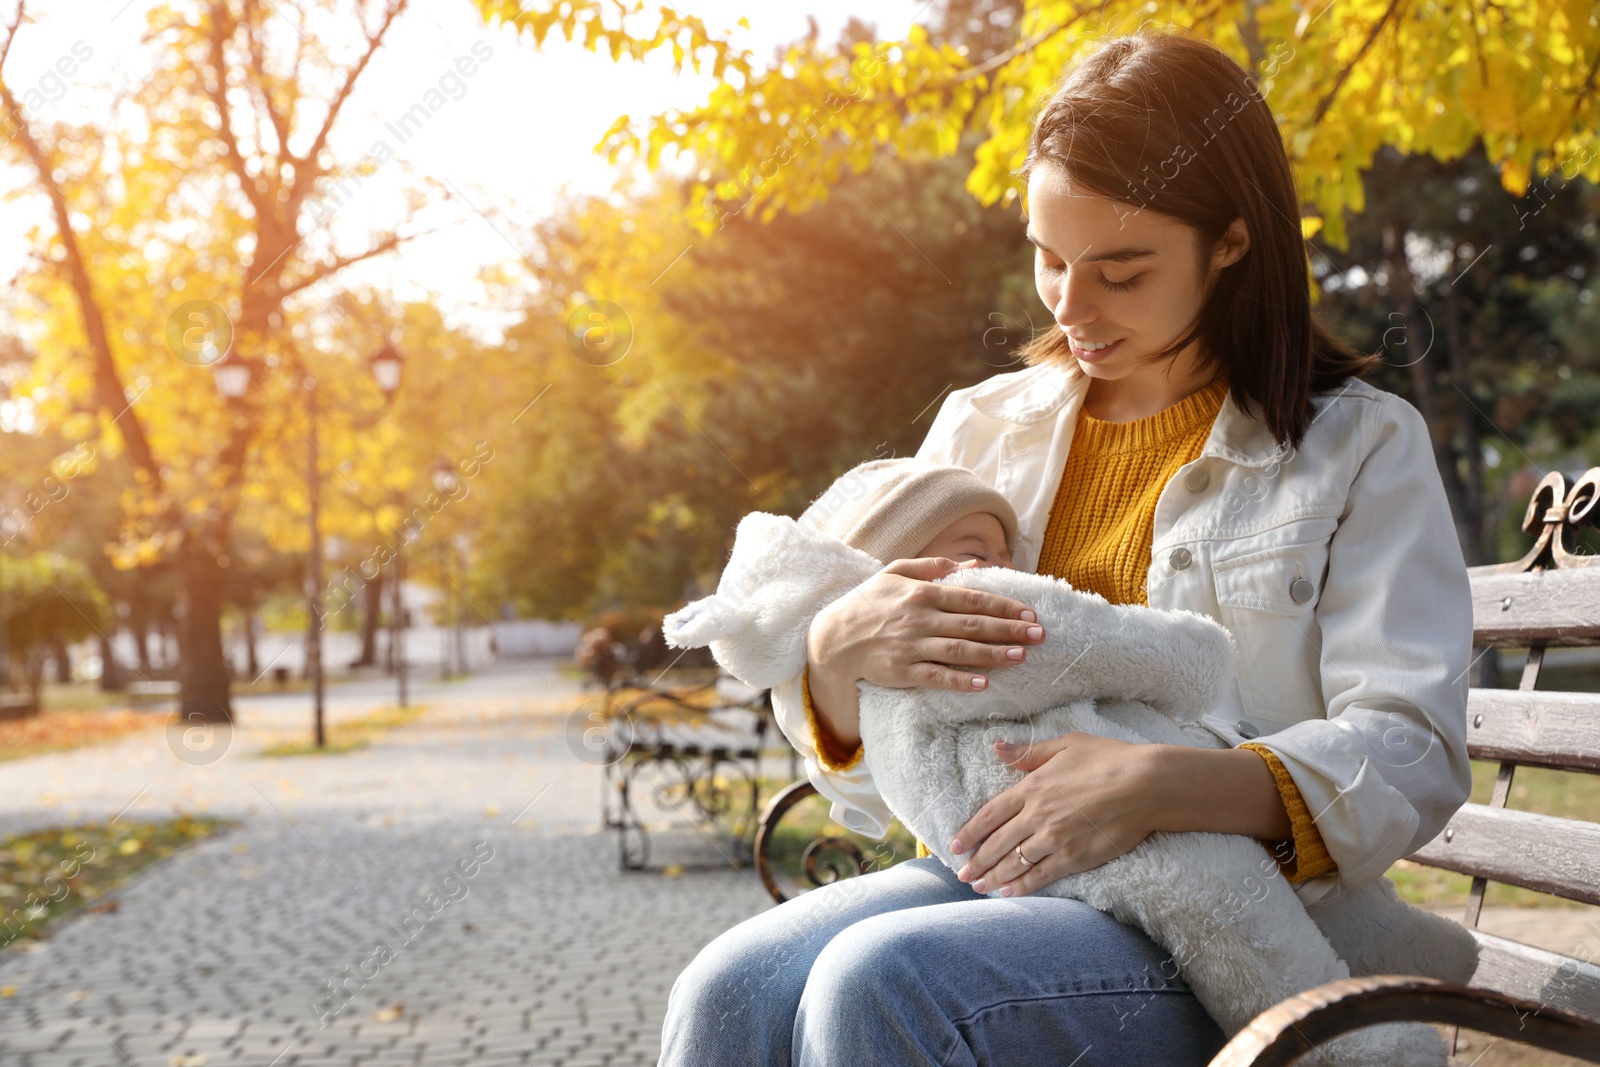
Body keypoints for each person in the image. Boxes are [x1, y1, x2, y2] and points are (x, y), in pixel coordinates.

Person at [659, 28, 1473, 1067]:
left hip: (1233, 912)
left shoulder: (1356, 446)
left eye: (1121, 272)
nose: (1070, 308)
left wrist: (1162, 783)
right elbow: (885, 787)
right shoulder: (981, 428)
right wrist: (835, 658)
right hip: (994, 872)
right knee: (727, 988)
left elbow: (1410, 748)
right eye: (1049, 259)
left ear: (1230, 241)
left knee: (884, 983)